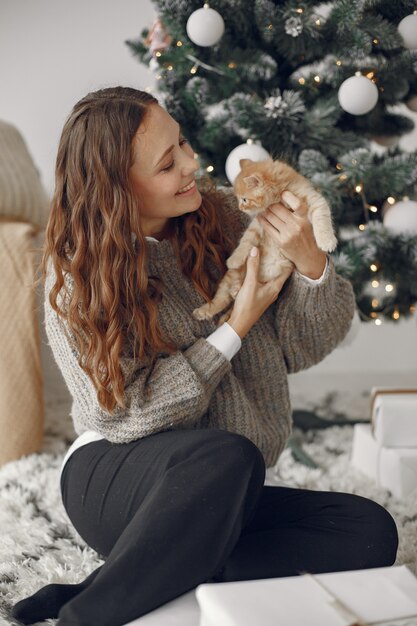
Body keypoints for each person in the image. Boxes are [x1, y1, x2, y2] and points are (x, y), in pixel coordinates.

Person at [12, 86, 398, 626]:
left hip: (217, 493)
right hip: (116, 476)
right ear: (119, 187)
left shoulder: (225, 221)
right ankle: (89, 617)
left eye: (184, 144)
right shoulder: (80, 275)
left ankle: (126, 579)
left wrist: (312, 265)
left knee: (368, 532)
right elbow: (127, 414)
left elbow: (301, 346)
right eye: (169, 164)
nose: (194, 164)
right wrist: (235, 326)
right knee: (227, 453)